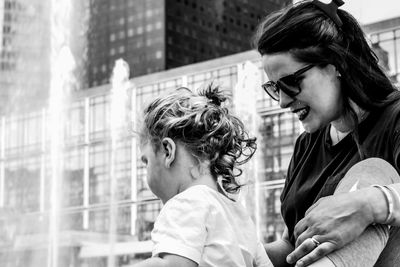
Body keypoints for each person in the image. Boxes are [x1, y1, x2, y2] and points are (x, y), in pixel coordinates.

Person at [253, 0, 400, 266]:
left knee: (373, 174)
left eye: (291, 82)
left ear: (337, 64)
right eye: (274, 87)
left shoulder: (396, 116)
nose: (282, 102)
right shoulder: (305, 144)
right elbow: (292, 244)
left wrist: (368, 204)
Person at [133, 85, 272, 267]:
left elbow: (172, 265)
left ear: (168, 152)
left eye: (146, 162)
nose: (146, 172)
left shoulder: (184, 204)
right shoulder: (239, 214)